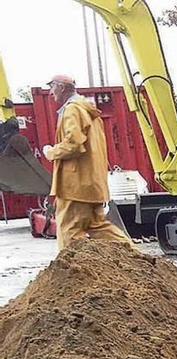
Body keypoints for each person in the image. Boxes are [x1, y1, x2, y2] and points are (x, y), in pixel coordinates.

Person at [41, 75, 131, 249]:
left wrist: (50, 152)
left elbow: (73, 143)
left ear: (61, 87)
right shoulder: (89, 112)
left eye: (52, 88)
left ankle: (71, 271)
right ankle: (140, 260)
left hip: (75, 186)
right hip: (92, 184)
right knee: (99, 228)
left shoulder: (72, 110)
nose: (51, 93)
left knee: (69, 230)